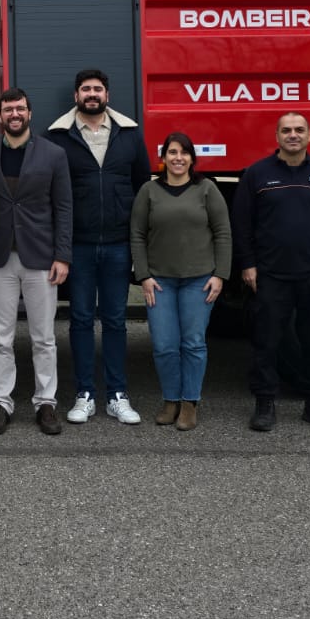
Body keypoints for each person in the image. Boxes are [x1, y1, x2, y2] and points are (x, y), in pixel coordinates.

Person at [231, 112, 310, 433]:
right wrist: (248, 264)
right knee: (266, 342)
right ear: (277, 136)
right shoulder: (257, 174)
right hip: (270, 274)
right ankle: (265, 403)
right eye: (286, 130)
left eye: (299, 130)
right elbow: (242, 224)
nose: (292, 135)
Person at [48, 68, 151, 425]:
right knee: (79, 320)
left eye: (98, 89)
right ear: (76, 95)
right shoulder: (58, 136)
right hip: (78, 245)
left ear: (107, 94)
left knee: (116, 321)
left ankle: (117, 395)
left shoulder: (130, 134)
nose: (92, 94)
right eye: (86, 89)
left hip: (119, 244)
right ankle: (85, 394)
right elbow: (53, 195)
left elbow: (142, 187)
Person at [0, 88, 73, 437]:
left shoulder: (54, 154)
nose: (14, 114)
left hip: (41, 258)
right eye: (7, 110)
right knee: (0, 337)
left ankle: (46, 403)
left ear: (30, 113)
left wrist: (63, 255)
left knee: (44, 337)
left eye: (20, 109)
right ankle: (1, 402)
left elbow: (63, 207)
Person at [130, 131, 232, 430]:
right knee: (163, 345)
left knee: (193, 343)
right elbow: (136, 235)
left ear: (192, 158)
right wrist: (144, 276)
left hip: (199, 280)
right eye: (172, 152)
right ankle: (170, 400)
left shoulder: (207, 189)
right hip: (159, 282)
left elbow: (223, 232)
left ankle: (190, 403)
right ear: (163, 158)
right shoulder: (149, 191)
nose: (178, 158)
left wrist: (220, 275)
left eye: (184, 153)